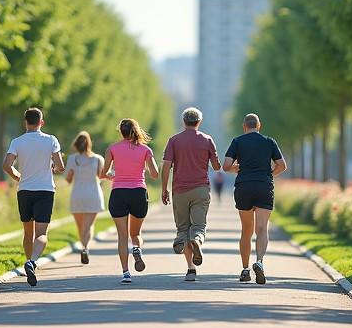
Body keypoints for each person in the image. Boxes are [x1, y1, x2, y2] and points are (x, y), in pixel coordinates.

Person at [2, 108, 65, 287]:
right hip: (45, 190)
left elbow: (7, 165)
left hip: (25, 191)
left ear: (25, 122)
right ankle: (32, 262)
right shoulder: (51, 140)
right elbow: (60, 167)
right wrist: (54, 168)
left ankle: (28, 261)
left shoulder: (17, 141)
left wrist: (17, 176)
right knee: (42, 234)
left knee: (28, 232)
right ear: (41, 122)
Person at [223, 113, 287, 285]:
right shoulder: (269, 141)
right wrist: (269, 175)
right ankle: (259, 262)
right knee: (262, 228)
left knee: (246, 230)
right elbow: (282, 165)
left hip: (244, 186)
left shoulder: (237, 142)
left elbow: (226, 166)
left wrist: (238, 169)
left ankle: (245, 269)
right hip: (264, 186)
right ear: (259, 126)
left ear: (244, 126)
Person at [161, 107, 220, 283]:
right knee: (198, 227)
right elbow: (217, 167)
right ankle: (197, 241)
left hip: (180, 190)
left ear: (183, 121)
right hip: (201, 189)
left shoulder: (174, 140)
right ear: (199, 122)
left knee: (183, 228)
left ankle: (190, 268)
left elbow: (166, 166)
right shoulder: (207, 140)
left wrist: (164, 189)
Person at [101, 118, 159, 284]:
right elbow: (155, 174)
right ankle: (137, 248)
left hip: (118, 192)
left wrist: (112, 174)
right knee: (136, 233)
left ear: (121, 131)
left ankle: (126, 273)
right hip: (138, 193)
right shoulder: (145, 149)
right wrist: (140, 170)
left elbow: (104, 171)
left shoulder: (112, 149)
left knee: (122, 235)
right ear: (136, 130)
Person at [64, 131, 105, 264]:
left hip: (77, 194)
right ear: (89, 144)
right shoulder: (97, 159)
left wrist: (73, 173)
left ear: (76, 144)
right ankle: (85, 248)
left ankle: (83, 246)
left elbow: (68, 180)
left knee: (80, 226)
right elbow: (101, 176)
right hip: (93, 193)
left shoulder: (72, 159)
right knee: (88, 226)